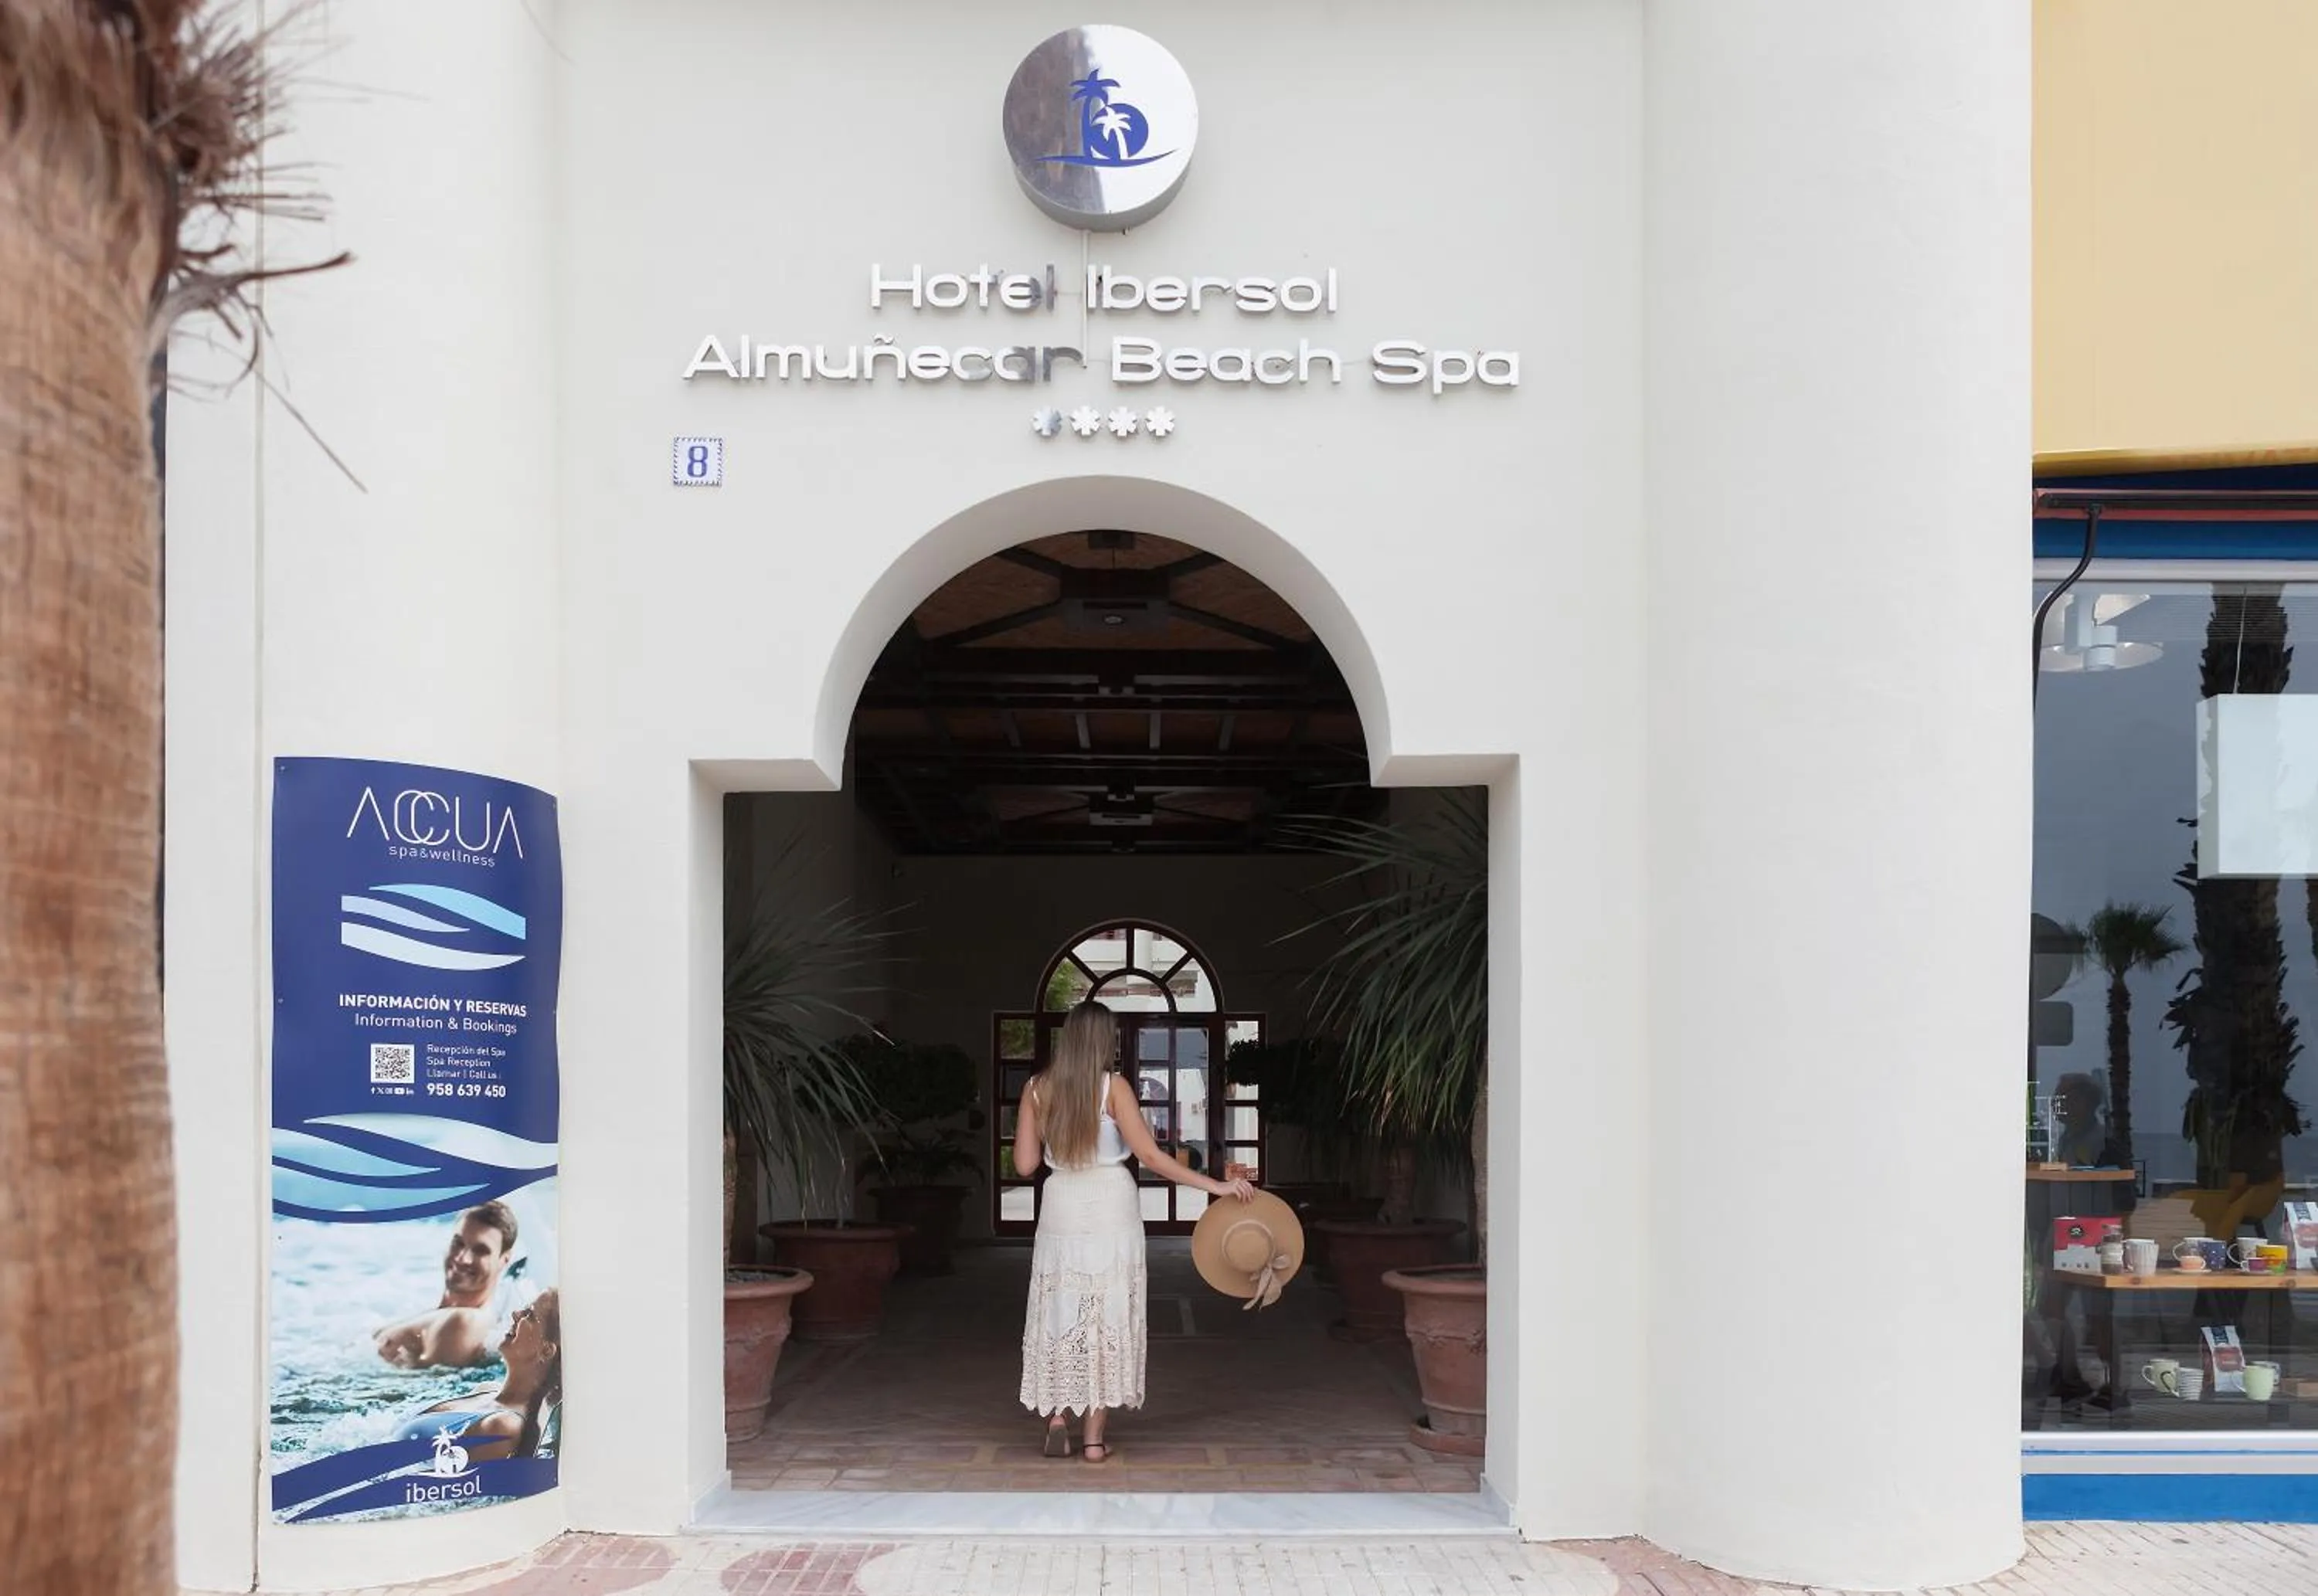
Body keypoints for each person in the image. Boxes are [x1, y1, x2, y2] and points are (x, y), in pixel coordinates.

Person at [1014, 1000, 1254, 1463]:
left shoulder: (1037, 1089)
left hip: (1061, 1206)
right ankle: (1093, 1441)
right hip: (1111, 1206)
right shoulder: (1114, 1087)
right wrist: (1216, 1186)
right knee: (1106, 1315)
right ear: (1104, 1040)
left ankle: (1058, 1418)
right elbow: (1152, 1157)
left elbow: (1025, 1164)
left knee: (1060, 1309)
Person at [395, 1289, 562, 1463]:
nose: (515, 1314)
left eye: (530, 1315)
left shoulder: (503, 1427)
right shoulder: (487, 1390)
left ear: (546, 1350)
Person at [374, 1200, 523, 1370]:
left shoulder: (464, 1323)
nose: (462, 1259)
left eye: (480, 1251)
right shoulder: (447, 1316)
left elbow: (428, 1384)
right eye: (458, 1243)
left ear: (504, 1260)